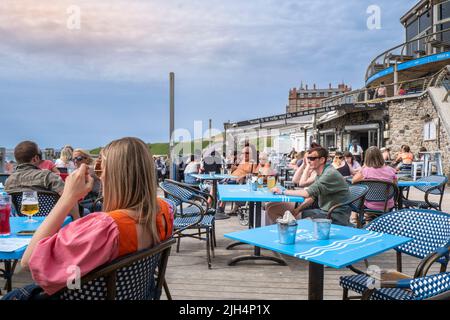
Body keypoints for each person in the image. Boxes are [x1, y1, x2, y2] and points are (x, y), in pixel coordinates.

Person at [11, 137, 174, 298]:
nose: (100, 176)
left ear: (114, 174)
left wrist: (68, 198)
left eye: (100, 169)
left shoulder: (104, 229)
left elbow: (29, 260)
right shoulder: (163, 211)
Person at [269, 147, 351, 226]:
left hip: (335, 215)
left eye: (312, 158)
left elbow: (307, 193)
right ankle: (286, 232)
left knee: (274, 209)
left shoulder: (329, 174)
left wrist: (282, 192)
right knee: (272, 207)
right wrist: (298, 210)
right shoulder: (322, 172)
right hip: (324, 211)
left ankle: (287, 232)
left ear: (322, 160)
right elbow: (312, 196)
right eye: (307, 158)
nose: (308, 161)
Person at [4, 141, 79, 220]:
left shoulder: (9, 181)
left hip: (25, 223)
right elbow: (69, 197)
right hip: (54, 224)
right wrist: (77, 219)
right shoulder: (47, 176)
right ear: (35, 158)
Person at [352, 146, 397, 223]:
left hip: (370, 205)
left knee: (355, 194)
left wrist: (363, 167)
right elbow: (395, 186)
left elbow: (353, 181)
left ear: (367, 158)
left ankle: (357, 220)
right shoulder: (390, 170)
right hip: (387, 205)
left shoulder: (365, 171)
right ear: (380, 157)